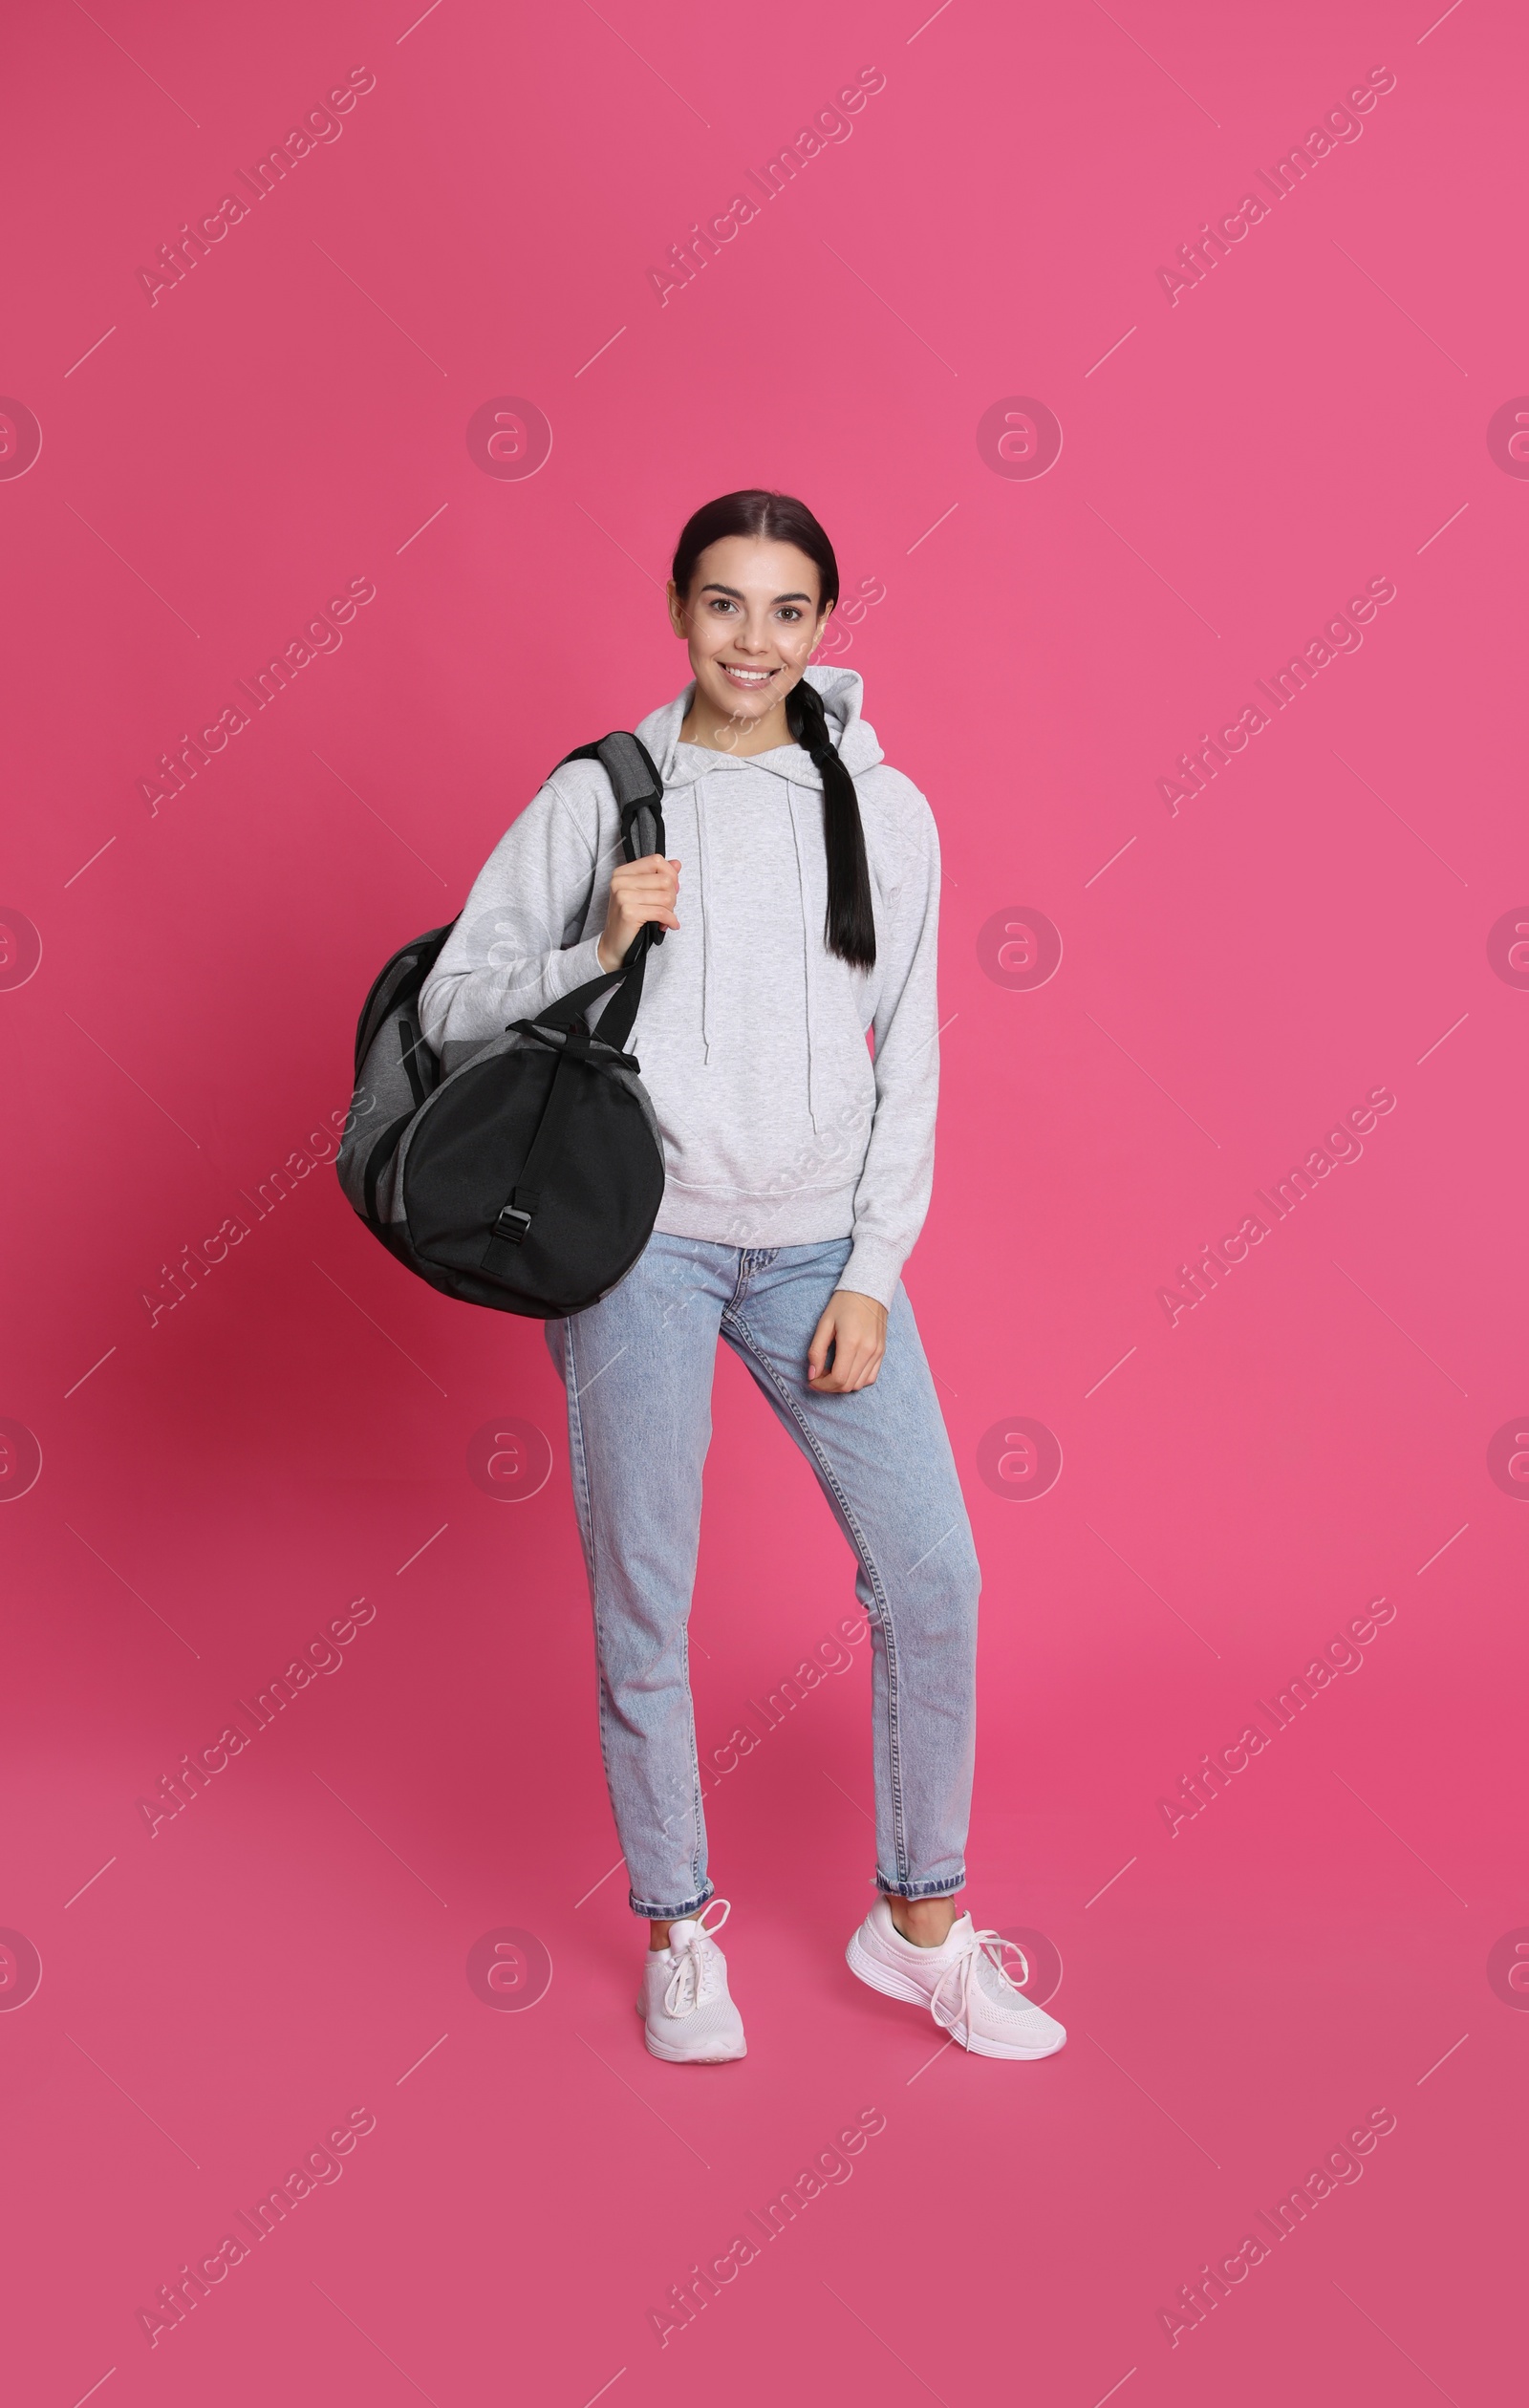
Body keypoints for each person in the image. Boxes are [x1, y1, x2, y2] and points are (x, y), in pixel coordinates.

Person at [420, 490, 1064, 2066]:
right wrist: (592, 948)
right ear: (677, 609)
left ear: (826, 626)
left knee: (932, 1575)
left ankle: (918, 1925)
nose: (754, 641)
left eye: (787, 611)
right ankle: (676, 1926)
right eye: (724, 605)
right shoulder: (606, 794)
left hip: (818, 1252)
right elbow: (452, 1007)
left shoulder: (885, 811)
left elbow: (907, 1048)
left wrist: (874, 1266)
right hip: (637, 1243)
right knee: (647, 1592)